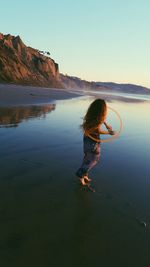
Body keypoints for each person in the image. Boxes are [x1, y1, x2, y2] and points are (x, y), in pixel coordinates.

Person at [76, 98, 115, 186]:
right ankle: (80, 175)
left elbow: (101, 123)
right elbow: (96, 130)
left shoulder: (93, 116)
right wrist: (108, 133)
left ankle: (85, 175)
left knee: (87, 157)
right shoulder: (96, 120)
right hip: (92, 141)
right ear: (102, 110)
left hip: (87, 139)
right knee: (93, 159)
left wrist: (107, 125)